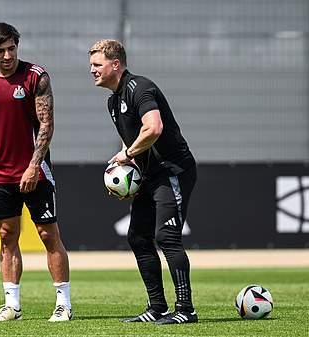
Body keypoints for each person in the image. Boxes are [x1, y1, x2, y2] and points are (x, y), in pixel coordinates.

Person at [0, 22, 72, 322]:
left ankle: (63, 304)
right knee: (7, 236)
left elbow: (46, 124)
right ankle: (12, 306)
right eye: (1, 50)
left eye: (11, 48)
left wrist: (35, 165)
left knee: (48, 234)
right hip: (0, 174)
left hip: (36, 172)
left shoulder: (36, 76)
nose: (7, 55)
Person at [88, 39, 198, 324]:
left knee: (166, 237)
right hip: (150, 176)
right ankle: (157, 307)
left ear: (115, 64)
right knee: (137, 236)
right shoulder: (113, 101)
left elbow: (154, 128)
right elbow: (135, 148)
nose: (92, 70)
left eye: (97, 65)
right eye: (91, 65)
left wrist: (126, 153)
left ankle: (186, 310)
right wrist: (127, 182)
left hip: (173, 170)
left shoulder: (140, 87)